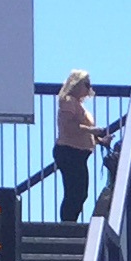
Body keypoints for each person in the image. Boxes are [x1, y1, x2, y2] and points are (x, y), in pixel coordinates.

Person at [53, 69, 101, 222]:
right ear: (77, 84)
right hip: (69, 151)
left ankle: (70, 221)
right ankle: (67, 224)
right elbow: (69, 127)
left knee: (80, 192)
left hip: (78, 153)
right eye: (86, 84)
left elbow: (82, 132)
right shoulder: (68, 101)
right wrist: (92, 130)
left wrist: (99, 140)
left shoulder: (78, 105)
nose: (89, 88)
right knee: (74, 192)